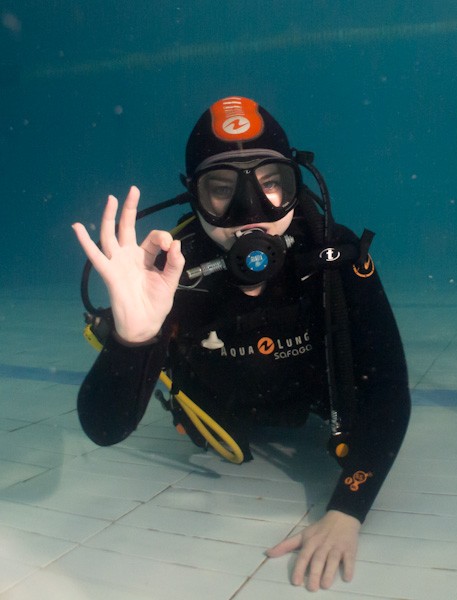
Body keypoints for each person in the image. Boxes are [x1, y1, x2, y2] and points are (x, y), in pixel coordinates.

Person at [72, 96, 411, 591]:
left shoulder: (332, 255)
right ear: (194, 197)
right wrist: (135, 336)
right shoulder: (170, 275)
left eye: (272, 183)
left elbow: (389, 388)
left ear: (295, 184)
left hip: (318, 405)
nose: (251, 212)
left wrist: (348, 509)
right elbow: (104, 430)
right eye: (222, 190)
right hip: (223, 416)